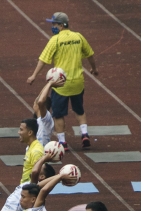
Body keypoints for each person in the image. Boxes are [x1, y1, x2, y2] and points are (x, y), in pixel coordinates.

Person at [27, 13, 98, 151]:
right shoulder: (78, 37)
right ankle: (84, 134)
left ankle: (62, 143)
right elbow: (90, 54)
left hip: (60, 84)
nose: (52, 27)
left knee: (58, 114)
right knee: (79, 109)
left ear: (61, 25)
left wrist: (34, 75)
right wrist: (94, 69)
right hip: (78, 81)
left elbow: (43, 59)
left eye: (54, 24)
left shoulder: (55, 40)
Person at [32, 80, 62, 211]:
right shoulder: (38, 121)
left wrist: (49, 83)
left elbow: (42, 101)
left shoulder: (45, 119)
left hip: (40, 166)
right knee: (37, 201)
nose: (35, 103)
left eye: (36, 101)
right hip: (36, 165)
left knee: (39, 202)